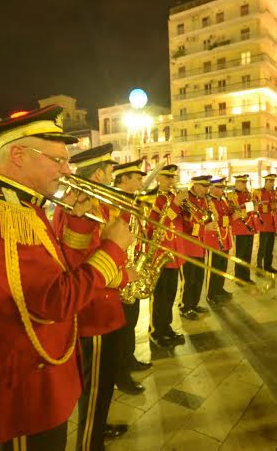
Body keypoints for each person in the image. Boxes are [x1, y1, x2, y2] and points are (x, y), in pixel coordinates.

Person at [0, 106, 133, 451]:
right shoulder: (2, 214)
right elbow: (54, 301)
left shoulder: (23, 207)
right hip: (20, 392)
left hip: (41, 378)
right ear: (18, 154)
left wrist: (78, 228)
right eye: (58, 160)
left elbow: (59, 272)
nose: (67, 171)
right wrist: (114, 250)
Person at [51, 143, 138, 450]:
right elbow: (81, 266)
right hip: (94, 315)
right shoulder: (83, 208)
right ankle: (90, 443)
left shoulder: (96, 205)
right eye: (111, 170)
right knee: (96, 387)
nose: (113, 176)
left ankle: (97, 429)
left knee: (102, 385)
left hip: (105, 309)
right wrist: (127, 275)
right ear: (99, 173)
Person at [110, 160, 153, 396]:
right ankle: (120, 374)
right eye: (136, 178)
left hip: (132, 269)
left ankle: (129, 359)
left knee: (132, 321)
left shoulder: (132, 203)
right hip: (119, 273)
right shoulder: (115, 204)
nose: (140, 182)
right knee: (121, 326)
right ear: (123, 179)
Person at [147, 165, 187, 348]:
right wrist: (177, 204)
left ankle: (167, 326)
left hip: (175, 252)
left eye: (173, 177)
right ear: (158, 178)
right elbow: (159, 220)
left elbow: (181, 221)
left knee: (170, 294)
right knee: (160, 295)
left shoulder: (171, 197)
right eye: (167, 177)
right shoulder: (153, 198)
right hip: (161, 252)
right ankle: (156, 331)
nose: (171, 180)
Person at [179, 175, 216, 320]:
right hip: (188, 246)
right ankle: (184, 306)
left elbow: (204, 218)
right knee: (189, 279)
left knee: (198, 277)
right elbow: (186, 225)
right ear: (196, 186)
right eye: (204, 187)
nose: (207, 190)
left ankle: (194, 304)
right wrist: (204, 228)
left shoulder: (203, 200)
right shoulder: (186, 199)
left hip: (200, 245)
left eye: (208, 187)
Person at [204, 177, 237, 305]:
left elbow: (227, 216)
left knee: (223, 266)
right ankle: (211, 294)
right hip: (214, 239)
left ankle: (219, 289)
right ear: (211, 188)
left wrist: (233, 215)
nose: (222, 189)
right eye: (219, 187)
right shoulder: (208, 202)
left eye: (222, 187)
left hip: (225, 237)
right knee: (214, 267)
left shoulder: (223, 201)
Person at [227, 174, 258, 282]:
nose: (244, 185)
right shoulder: (232, 195)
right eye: (242, 183)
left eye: (245, 182)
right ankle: (239, 277)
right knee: (240, 254)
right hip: (240, 228)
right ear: (236, 183)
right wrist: (246, 210)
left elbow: (250, 210)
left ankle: (246, 277)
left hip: (250, 227)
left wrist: (250, 208)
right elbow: (234, 212)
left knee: (247, 254)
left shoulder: (248, 194)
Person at [254, 174, 277, 274]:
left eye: (273, 181)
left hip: (273, 223)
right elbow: (256, 206)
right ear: (265, 182)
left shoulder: (275, 193)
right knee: (262, 247)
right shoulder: (259, 192)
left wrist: (276, 206)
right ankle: (259, 267)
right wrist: (270, 207)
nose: (272, 183)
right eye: (270, 181)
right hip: (264, 223)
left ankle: (268, 266)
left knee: (270, 247)